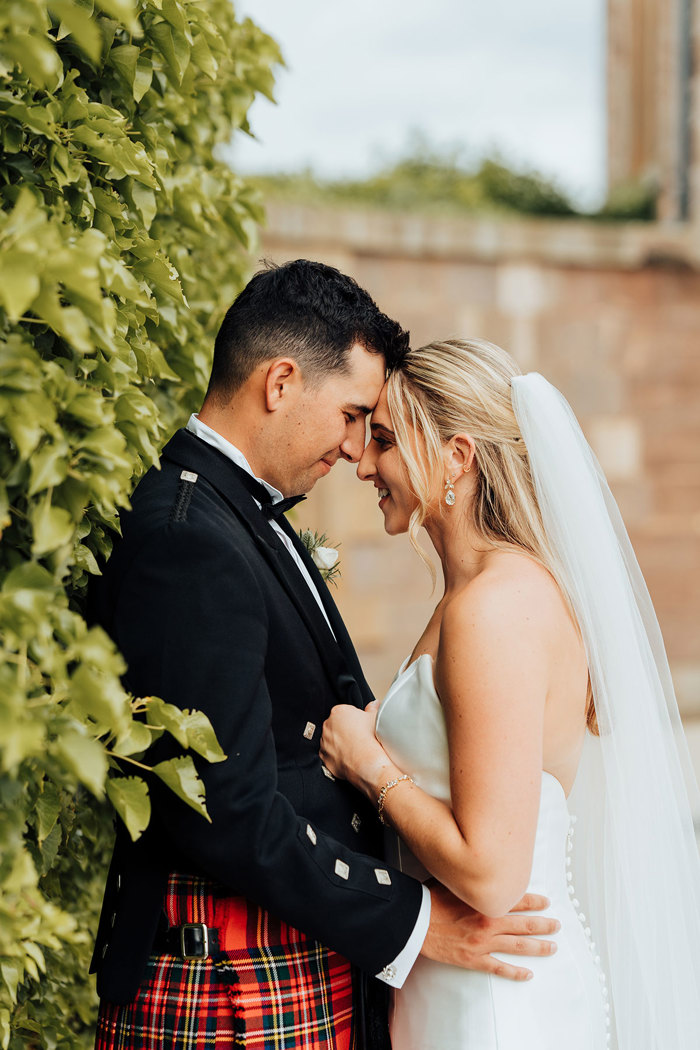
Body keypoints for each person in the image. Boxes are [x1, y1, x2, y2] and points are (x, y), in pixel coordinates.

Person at [89, 269, 559, 1050]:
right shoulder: (189, 536)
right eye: (352, 416)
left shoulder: (237, 513)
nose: (353, 450)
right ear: (280, 382)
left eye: (372, 429)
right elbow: (222, 805)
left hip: (290, 958)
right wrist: (413, 921)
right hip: (231, 986)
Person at [321, 337, 700, 1050]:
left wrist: (369, 765)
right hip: (464, 985)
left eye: (385, 442)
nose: (365, 464)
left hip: (497, 1004)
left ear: (456, 457)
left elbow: (492, 876)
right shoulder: (477, 594)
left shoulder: (494, 608)